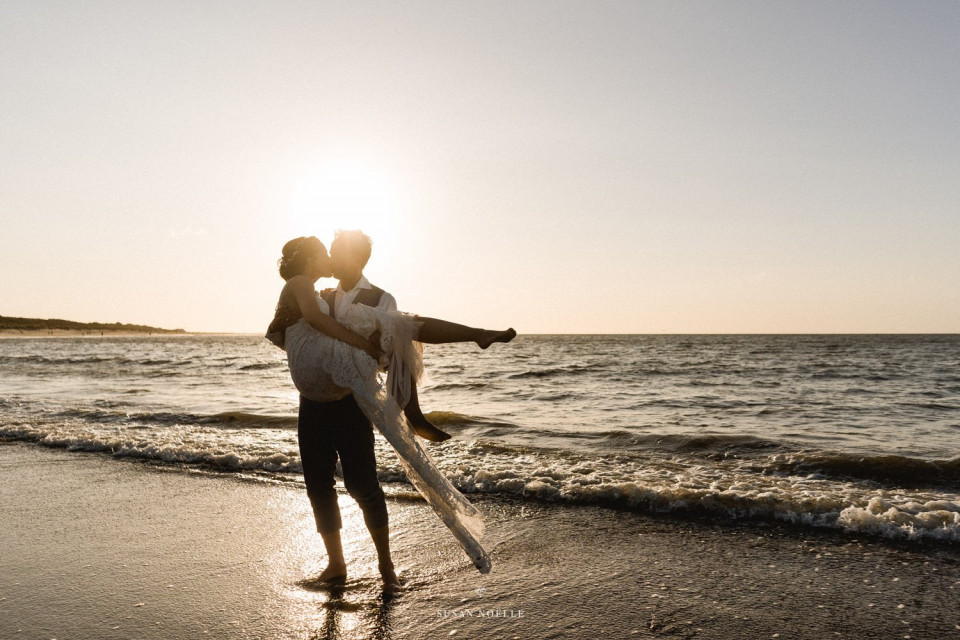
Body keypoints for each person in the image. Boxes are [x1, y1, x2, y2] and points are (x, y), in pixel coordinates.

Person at [266, 233, 515, 592]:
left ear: (357, 259)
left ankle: (386, 567)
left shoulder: (380, 298)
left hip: (351, 402)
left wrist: (380, 368)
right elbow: (305, 333)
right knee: (318, 485)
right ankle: (336, 565)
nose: (332, 259)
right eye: (329, 253)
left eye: (337, 253)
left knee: (362, 485)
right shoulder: (323, 294)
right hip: (313, 403)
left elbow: (396, 356)